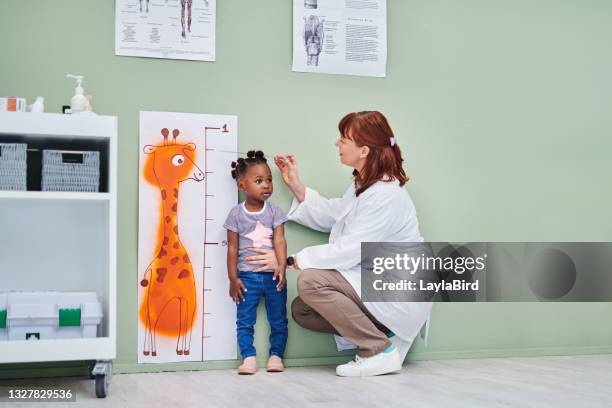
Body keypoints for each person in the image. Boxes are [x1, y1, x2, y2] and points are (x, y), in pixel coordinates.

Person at [247, 111, 432, 377]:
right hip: (374, 281)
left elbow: (350, 249)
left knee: (310, 282)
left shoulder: (385, 195)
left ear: (364, 150)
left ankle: (378, 351)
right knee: (303, 310)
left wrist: (288, 260)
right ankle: (385, 335)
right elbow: (336, 215)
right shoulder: (365, 185)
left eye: (344, 139)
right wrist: (296, 185)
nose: (338, 143)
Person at [223, 150, 289, 375]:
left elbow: (280, 240)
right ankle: (248, 357)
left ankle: (276, 356)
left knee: (278, 320)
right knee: (245, 320)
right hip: (247, 277)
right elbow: (232, 247)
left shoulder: (274, 212)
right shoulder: (235, 214)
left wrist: (282, 267)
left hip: (273, 276)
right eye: (259, 181)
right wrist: (233, 278)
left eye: (269, 180)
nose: (267, 185)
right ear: (242, 185)